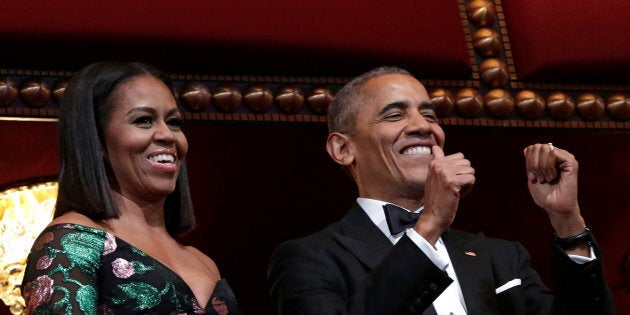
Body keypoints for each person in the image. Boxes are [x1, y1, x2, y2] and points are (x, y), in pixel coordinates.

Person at [267, 66, 614, 314]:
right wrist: (429, 225)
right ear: (343, 149)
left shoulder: (500, 257)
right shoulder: (308, 259)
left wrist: (567, 220)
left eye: (429, 115)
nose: (422, 126)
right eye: (394, 116)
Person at [21, 62, 240, 314]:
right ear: (98, 140)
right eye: (144, 120)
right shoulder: (72, 242)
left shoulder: (204, 262)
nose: (167, 134)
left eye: (174, 122)